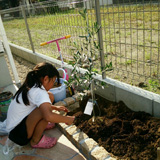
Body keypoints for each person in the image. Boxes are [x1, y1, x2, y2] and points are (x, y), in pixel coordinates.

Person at [6, 62, 75, 149]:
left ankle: (40, 126)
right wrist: (67, 119)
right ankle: (36, 141)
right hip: (19, 136)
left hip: (15, 130)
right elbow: (48, 116)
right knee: (45, 113)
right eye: (53, 81)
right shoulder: (39, 92)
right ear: (46, 79)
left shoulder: (32, 84)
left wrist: (54, 107)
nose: (52, 85)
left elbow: (33, 104)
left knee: (49, 96)